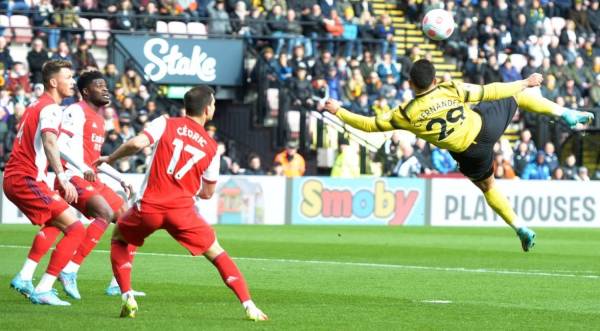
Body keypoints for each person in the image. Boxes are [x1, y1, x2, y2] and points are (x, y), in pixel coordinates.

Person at [324, 59, 595, 252]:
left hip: (470, 154)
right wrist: (524, 82)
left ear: (410, 83)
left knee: (488, 187)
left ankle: (519, 226)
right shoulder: (449, 88)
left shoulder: (405, 113)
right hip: (486, 127)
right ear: (435, 79)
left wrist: (339, 111)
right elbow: (491, 91)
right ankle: (565, 113)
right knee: (518, 95)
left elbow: (370, 125)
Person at [95, 86, 268, 321]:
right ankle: (249, 306)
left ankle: (127, 296)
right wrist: (187, 189)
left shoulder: (165, 123)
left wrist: (110, 158)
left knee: (119, 238)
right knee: (217, 254)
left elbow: (136, 144)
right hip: (182, 212)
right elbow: (207, 193)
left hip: (149, 207)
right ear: (208, 109)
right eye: (214, 104)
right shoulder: (211, 147)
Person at [53, 71, 141, 300]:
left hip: (92, 177)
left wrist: (120, 177)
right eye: (99, 86)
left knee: (130, 222)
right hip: (72, 175)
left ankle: (118, 282)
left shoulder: (100, 120)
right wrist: (81, 169)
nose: (105, 89)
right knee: (104, 212)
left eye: (106, 86)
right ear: (85, 92)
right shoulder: (75, 111)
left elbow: (94, 160)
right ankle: (70, 270)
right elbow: (59, 145)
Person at [4, 60, 86, 306]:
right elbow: (49, 142)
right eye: (68, 77)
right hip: (25, 178)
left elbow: (53, 145)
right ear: (53, 82)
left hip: (20, 177)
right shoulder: (51, 108)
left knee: (55, 224)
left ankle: (25, 276)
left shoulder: (35, 106)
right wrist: (62, 177)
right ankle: (44, 288)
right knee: (76, 229)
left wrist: (82, 168)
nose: (73, 82)